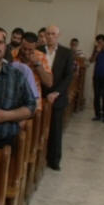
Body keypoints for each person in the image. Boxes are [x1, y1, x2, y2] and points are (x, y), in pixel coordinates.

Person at [37, 25, 74, 170]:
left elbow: (68, 76)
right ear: (44, 35)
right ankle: (38, 158)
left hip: (57, 96)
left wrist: (56, 92)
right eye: (48, 34)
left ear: (58, 35)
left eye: (53, 34)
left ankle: (54, 160)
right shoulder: (38, 50)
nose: (50, 36)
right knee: (38, 128)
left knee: (56, 129)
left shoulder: (66, 52)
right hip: (40, 94)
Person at [12, 31, 53, 111]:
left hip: (34, 101)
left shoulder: (41, 56)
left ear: (35, 46)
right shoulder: (12, 54)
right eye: (24, 49)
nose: (26, 52)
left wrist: (37, 64)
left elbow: (49, 83)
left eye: (30, 50)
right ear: (20, 44)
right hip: (14, 99)